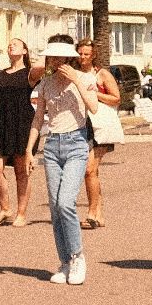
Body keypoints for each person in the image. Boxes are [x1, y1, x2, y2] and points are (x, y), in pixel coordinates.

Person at [34, 37, 99, 284]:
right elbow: (39, 118)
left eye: (62, 58)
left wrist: (76, 80)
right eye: (53, 58)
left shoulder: (84, 79)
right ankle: (64, 262)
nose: (56, 62)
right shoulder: (45, 84)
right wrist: (30, 149)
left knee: (65, 203)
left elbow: (93, 107)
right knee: (54, 207)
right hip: (52, 145)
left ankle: (78, 256)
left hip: (76, 144)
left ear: (70, 59)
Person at [0, 37, 42, 227]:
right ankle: (5, 208)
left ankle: (21, 213)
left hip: (23, 124)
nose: (10, 45)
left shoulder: (29, 74)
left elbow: (44, 65)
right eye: (8, 44)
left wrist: (35, 54)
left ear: (24, 51)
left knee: (21, 172)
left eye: (15, 44)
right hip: (2, 126)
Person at [80, 41, 120, 230]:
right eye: (80, 53)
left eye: (86, 54)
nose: (82, 57)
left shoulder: (102, 74)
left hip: (100, 127)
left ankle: (91, 213)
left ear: (93, 55)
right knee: (92, 172)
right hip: (82, 125)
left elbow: (116, 98)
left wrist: (96, 94)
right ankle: (99, 214)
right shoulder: (76, 75)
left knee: (90, 170)